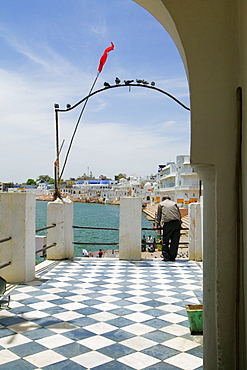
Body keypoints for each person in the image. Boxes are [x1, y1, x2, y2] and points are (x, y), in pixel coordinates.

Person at [155, 195, 181, 261]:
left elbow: (158, 216)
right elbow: (179, 214)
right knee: (175, 241)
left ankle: (166, 257)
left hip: (168, 223)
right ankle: (172, 257)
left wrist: (157, 225)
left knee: (165, 241)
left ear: (163, 199)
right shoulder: (174, 203)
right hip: (177, 223)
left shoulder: (161, 204)